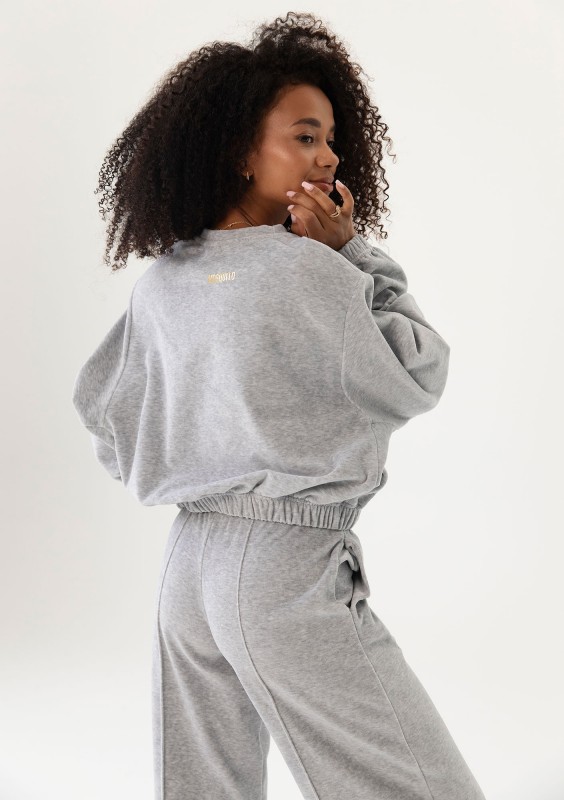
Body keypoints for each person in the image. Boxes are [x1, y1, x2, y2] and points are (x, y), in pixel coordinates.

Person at [71, 11, 487, 800]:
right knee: (421, 785)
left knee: (206, 786)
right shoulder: (307, 270)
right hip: (283, 566)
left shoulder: (166, 279)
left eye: (330, 138)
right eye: (305, 136)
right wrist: (349, 251)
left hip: (187, 569)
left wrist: (203, 451)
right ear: (241, 150)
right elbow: (419, 370)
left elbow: (105, 413)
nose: (328, 156)